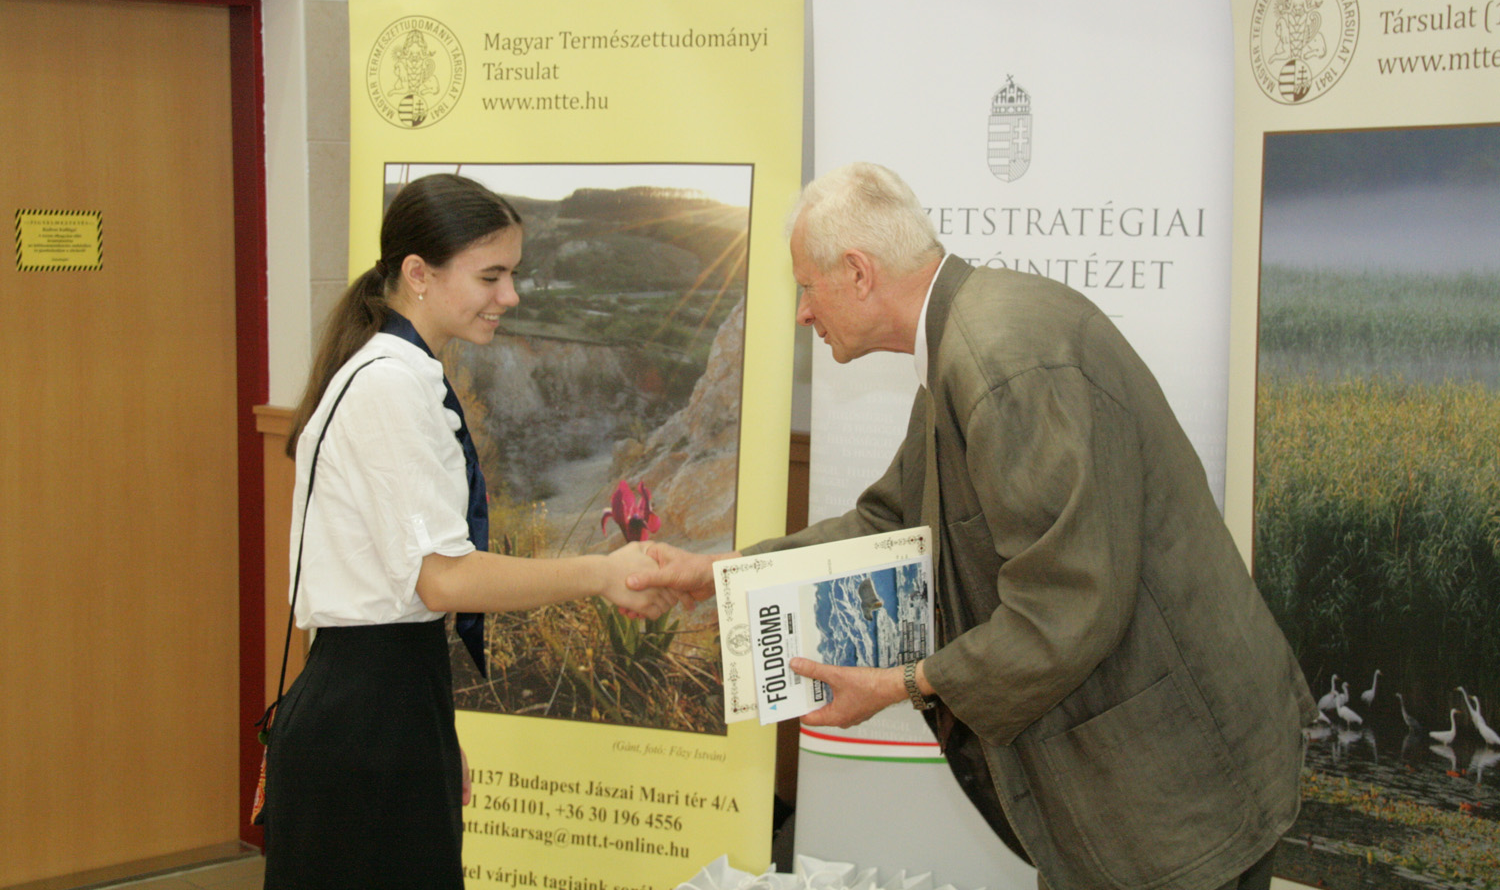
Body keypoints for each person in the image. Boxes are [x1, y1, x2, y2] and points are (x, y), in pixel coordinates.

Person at [633, 163, 1316, 890]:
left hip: (1175, 784)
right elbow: (890, 522)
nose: (803, 311)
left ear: (859, 273)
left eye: (808, 285)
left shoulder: (997, 361)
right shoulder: (966, 336)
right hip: (1141, 781)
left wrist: (901, 684)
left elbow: (1067, 606)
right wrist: (723, 573)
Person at [262, 173, 671, 889]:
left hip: (390, 698)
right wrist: (602, 573)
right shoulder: (388, 384)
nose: (510, 297)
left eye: (512, 274)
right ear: (419, 274)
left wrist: (428, 725)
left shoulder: (402, 373)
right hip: (366, 715)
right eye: (491, 276)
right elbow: (443, 578)